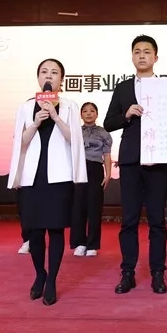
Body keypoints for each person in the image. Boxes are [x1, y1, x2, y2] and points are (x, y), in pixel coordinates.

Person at [8, 58, 86, 305]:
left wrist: (56, 116)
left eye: (54, 72)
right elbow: (20, 142)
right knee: (34, 229)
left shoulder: (70, 106)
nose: (48, 76)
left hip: (59, 176)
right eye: (44, 72)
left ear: (61, 80)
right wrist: (36, 122)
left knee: (55, 228)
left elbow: (74, 140)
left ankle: (51, 279)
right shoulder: (25, 107)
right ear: (38, 78)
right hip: (33, 175)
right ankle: (39, 274)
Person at [104, 35, 167, 295]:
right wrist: (126, 115)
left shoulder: (166, 88)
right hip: (131, 160)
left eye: (147, 51)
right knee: (129, 220)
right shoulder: (123, 88)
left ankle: (158, 273)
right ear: (132, 56)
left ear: (156, 57)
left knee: (157, 221)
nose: (142, 55)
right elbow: (109, 123)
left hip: (159, 161)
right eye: (137, 51)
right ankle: (128, 273)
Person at [71, 102, 112, 257]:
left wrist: (108, 174)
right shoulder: (74, 131)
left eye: (92, 111)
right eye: (85, 111)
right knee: (78, 207)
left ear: (97, 114)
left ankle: (92, 244)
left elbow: (107, 154)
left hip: (95, 169)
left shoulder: (103, 133)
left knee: (94, 208)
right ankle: (80, 243)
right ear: (81, 114)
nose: (88, 113)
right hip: (78, 169)